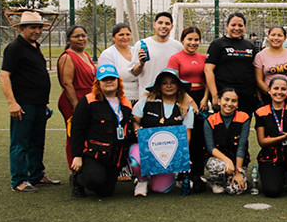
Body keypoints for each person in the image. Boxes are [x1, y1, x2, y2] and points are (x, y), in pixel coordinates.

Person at [0, 11, 59, 193]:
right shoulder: (15, 47)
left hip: (39, 105)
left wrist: (43, 103)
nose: (37, 31)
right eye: (33, 27)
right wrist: (12, 103)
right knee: (20, 143)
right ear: (22, 29)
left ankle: (36, 175)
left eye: (40, 28)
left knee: (37, 142)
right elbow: (4, 75)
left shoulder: (34, 47)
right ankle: (19, 180)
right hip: (23, 104)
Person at [69, 64, 134, 198]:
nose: (108, 82)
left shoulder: (126, 103)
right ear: (98, 83)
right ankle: (77, 179)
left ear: (118, 81)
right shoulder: (88, 101)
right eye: (104, 79)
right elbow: (77, 130)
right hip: (94, 154)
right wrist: (77, 155)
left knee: (106, 193)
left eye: (112, 78)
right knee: (94, 181)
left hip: (114, 157)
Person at [129, 68, 194, 196]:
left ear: (178, 85)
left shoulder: (186, 108)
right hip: (145, 149)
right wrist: (137, 128)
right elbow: (135, 121)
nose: (169, 86)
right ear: (159, 86)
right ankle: (141, 180)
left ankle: (161, 175)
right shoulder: (146, 101)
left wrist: (182, 157)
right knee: (135, 160)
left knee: (160, 189)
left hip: (167, 154)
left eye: (172, 82)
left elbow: (186, 135)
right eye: (164, 83)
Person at [168, 26, 210, 192]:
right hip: (183, 99)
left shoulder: (204, 57)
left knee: (199, 138)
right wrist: (189, 100)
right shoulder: (175, 58)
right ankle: (181, 174)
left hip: (201, 100)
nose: (193, 42)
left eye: (196, 39)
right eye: (189, 39)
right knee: (184, 138)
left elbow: (208, 80)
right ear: (183, 40)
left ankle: (197, 174)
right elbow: (173, 82)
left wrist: (205, 98)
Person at [57, 25, 97, 167]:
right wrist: (77, 107)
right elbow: (67, 84)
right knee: (74, 135)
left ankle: (87, 166)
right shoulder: (67, 57)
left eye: (83, 35)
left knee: (88, 134)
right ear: (68, 39)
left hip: (87, 100)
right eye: (76, 36)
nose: (81, 39)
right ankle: (74, 168)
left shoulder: (85, 54)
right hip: (73, 101)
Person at [205, 12, 257, 114]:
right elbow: (208, 70)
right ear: (226, 26)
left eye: (240, 25)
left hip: (246, 95)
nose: (236, 28)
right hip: (224, 95)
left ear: (245, 27)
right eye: (233, 25)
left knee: (243, 123)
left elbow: (255, 71)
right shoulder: (217, 44)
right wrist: (215, 95)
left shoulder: (250, 46)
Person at [203, 88, 250, 195]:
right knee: (219, 167)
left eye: (234, 101)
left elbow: (241, 147)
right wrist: (227, 161)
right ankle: (217, 181)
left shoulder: (244, 118)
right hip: (219, 161)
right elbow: (210, 148)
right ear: (219, 101)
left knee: (236, 190)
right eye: (226, 99)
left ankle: (230, 178)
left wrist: (238, 171)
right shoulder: (210, 120)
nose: (229, 104)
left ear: (237, 103)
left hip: (237, 161)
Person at [129, 11, 183, 100]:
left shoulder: (177, 46)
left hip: (171, 96)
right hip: (147, 96)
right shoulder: (141, 45)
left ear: (172, 27)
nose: (163, 26)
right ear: (154, 24)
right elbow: (134, 73)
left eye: (167, 23)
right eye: (160, 23)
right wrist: (141, 64)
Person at [254, 26, 287, 104]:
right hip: (270, 95)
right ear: (268, 37)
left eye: (280, 35)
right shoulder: (260, 56)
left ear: (285, 38)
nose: (276, 38)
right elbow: (259, 80)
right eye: (273, 35)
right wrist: (271, 93)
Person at [98, 23, 139, 103]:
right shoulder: (108, 54)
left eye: (128, 34)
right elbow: (107, 79)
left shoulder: (136, 51)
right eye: (121, 35)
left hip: (139, 98)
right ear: (113, 37)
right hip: (119, 98)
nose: (125, 37)